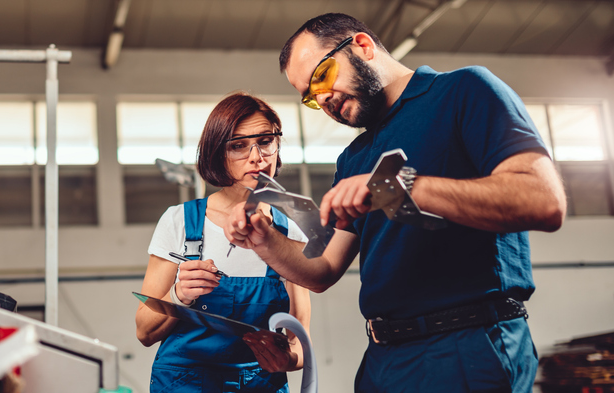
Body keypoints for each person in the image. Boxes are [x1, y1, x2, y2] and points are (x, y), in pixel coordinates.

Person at [225, 13, 567, 393]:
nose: (323, 100)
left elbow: (543, 200)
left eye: (321, 77)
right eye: (309, 95)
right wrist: (262, 239)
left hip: (467, 343)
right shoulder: (354, 157)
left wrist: (405, 185)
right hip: (383, 356)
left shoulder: (463, 91)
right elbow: (323, 268)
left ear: (363, 46)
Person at [135, 92, 312, 393]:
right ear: (218, 153)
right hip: (184, 385)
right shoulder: (180, 222)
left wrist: (287, 359)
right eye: (238, 146)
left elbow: (300, 344)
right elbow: (144, 331)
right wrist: (178, 295)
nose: (256, 157)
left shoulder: (291, 234)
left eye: (265, 141)